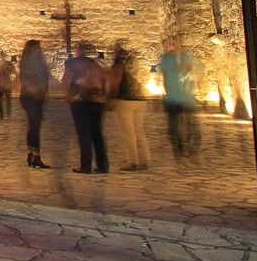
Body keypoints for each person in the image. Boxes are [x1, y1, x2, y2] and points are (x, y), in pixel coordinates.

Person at [62, 41, 110, 174]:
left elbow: (67, 78)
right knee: (97, 134)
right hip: (97, 101)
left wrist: (66, 94)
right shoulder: (96, 65)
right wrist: (104, 97)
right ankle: (103, 166)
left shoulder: (73, 63)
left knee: (84, 134)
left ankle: (85, 165)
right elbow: (105, 81)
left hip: (80, 100)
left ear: (80, 51)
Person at [110, 43, 152, 171]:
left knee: (127, 131)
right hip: (140, 98)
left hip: (125, 99)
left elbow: (116, 80)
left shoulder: (119, 62)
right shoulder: (135, 62)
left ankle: (132, 161)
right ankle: (144, 159)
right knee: (139, 130)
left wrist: (111, 97)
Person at [158, 35, 199, 156]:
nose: (172, 45)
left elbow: (189, 69)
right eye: (170, 43)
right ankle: (179, 147)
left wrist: (180, 58)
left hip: (185, 97)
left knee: (189, 123)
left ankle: (189, 143)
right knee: (173, 125)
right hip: (172, 97)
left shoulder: (185, 56)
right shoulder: (165, 58)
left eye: (174, 42)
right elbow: (165, 75)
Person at [19, 40, 50, 169]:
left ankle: (31, 154)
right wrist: (36, 91)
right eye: (37, 47)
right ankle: (36, 156)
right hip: (30, 97)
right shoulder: (27, 61)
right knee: (34, 126)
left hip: (35, 96)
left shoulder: (36, 61)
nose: (39, 49)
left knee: (33, 126)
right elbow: (25, 79)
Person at [0, 52, 17, 120]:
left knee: (0, 101)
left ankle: (1, 116)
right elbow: (14, 74)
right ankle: (8, 115)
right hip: (7, 84)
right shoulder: (9, 64)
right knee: (8, 101)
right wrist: (13, 82)